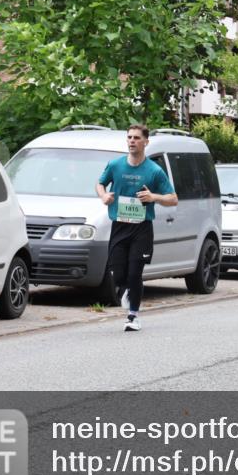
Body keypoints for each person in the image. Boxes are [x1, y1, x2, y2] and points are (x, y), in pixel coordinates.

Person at [96, 124, 178, 331]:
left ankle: (133, 316)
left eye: (136, 138)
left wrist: (154, 197)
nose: (132, 141)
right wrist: (104, 196)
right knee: (118, 273)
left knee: (135, 273)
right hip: (119, 225)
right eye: (129, 137)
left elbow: (173, 199)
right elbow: (100, 183)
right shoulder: (115, 165)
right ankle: (126, 290)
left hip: (141, 228)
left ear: (145, 142)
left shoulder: (154, 170)